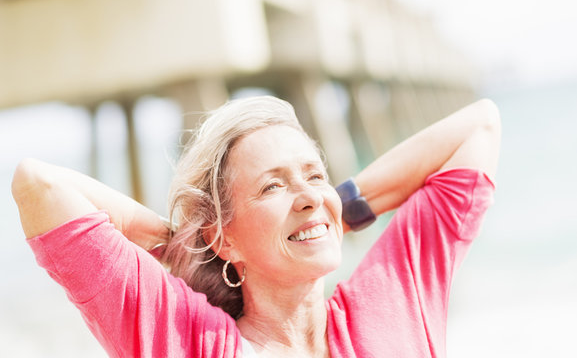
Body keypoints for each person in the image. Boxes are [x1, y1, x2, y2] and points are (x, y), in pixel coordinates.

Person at [12, 95, 500, 357]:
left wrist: (336, 212)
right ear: (224, 237)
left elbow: (479, 125)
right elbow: (39, 185)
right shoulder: (184, 339)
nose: (307, 194)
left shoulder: (393, 298)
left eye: (314, 175)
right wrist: (183, 246)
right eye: (273, 187)